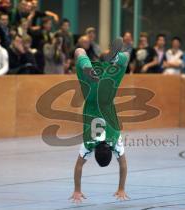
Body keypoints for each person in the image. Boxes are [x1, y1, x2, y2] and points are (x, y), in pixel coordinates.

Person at [69, 38, 130, 203]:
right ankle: (86, 64)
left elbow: (123, 165)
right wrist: (77, 191)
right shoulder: (89, 143)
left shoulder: (115, 141)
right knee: (79, 51)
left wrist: (121, 188)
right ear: (95, 152)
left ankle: (116, 58)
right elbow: (78, 167)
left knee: (126, 56)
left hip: (107, 94)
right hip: (90, 94)